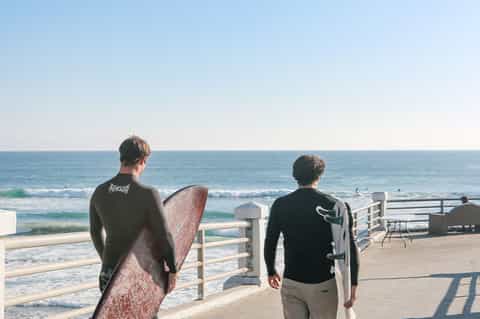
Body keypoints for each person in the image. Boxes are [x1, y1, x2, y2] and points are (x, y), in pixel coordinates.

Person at [89, 136, 177, 317]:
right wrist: (172, 270)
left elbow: (95, 232)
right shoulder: (148, 194)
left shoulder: (100, 191)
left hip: (108, 273)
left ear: (121, 158)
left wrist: (107, 261)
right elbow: (164, 235)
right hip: (138, 273)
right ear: (143, 160)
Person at [264, 155, 359, 319]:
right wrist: (353, 284)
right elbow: (349, 247)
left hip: (291, 281)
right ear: (319, 175)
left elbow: (270, 240)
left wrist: (271, 270)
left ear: (295, 175)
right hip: (322, 283)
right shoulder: (334, 205)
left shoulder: (280, 204)